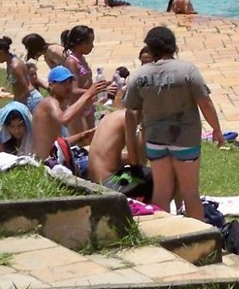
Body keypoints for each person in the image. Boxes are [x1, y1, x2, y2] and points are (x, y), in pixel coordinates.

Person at [122, 27, 223, 220]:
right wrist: (216, 130)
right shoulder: (187, 71)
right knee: (190, 193)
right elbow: (205, 103)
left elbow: (130, 109)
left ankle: (164, 236)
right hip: (185, 140)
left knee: (161, 193)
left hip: (155, 141)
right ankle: (198, 239)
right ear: (173, 46)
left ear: (150, 48)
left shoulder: (140, 75)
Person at [31, 66, 104, 161]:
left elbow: (57, 144)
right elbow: (63, 119)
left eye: (70, 82)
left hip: (54, 159)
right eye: (63, 83)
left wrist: (84, 135)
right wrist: (88, 94)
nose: (68, 86)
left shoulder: (58, 105)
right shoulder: (49, 102)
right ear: (52, 84)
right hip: (48, 163)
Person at [0, 36, 41, 111]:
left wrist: (15, 105)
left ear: (1, 52)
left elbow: (25, 89)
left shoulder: (15, 66)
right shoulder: (10, 63)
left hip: (31, 100)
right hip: (24, 100)